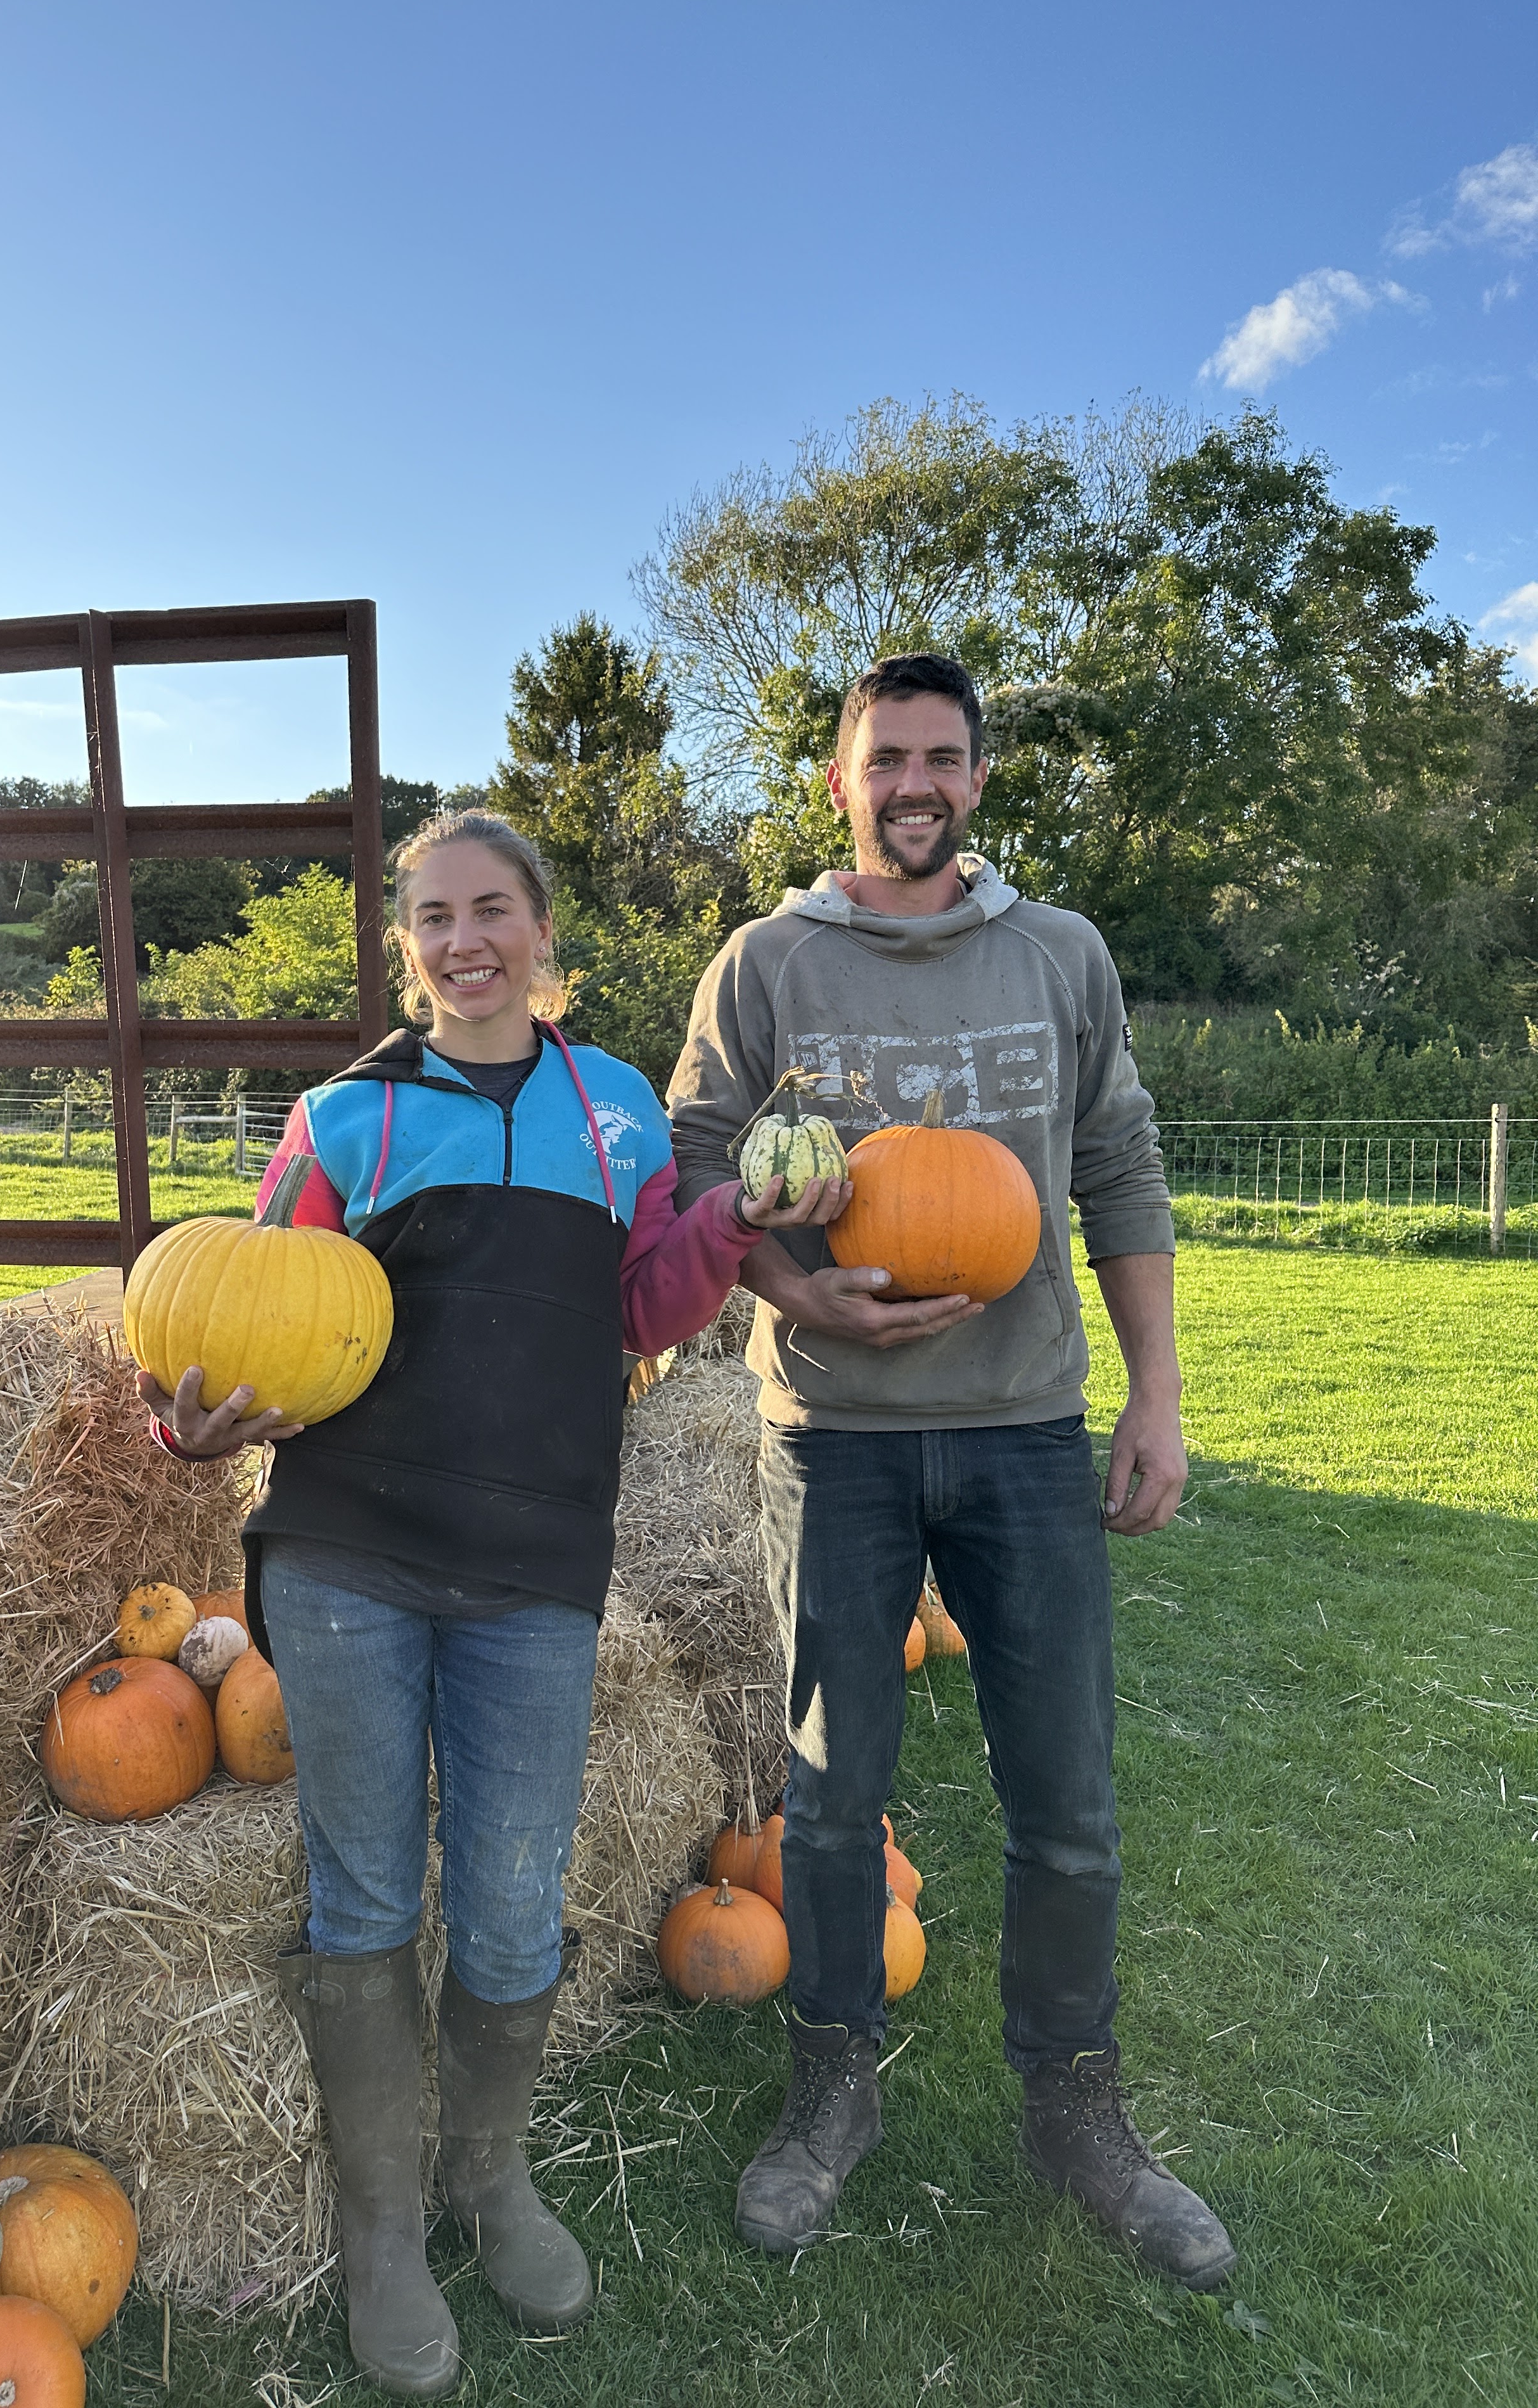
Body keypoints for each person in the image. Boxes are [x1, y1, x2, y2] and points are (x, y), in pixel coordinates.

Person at [136, 809, 844, 2398]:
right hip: (346, 1559)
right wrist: (193, 1426)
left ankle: (491, 2176)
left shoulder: (614, 1116)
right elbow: (252, 1318)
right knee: (366, 1895)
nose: (467, 941)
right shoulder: (346, 1119)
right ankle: (386, 2229)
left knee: (517, 1897)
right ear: (407, 947)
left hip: (535, 1560)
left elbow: (647, 1308)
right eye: (436, 918)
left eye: (494, 911)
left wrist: (723, 1226)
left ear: (540, 928)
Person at [666, 654, 1237, 2290]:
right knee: (834, 1798)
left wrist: (1159, 1397)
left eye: (941, 757)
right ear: (838, 781)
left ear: (977, 779)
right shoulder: (767, 964)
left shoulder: (1060, 954)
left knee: (1066, 1798)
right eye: (883, 759)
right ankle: (831, 2088)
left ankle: (1079, 2109)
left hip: (1024, 1432)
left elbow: (1119, 1164)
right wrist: (789, 1288)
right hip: (832, 1439)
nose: (913, 782)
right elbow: (701, 1173)